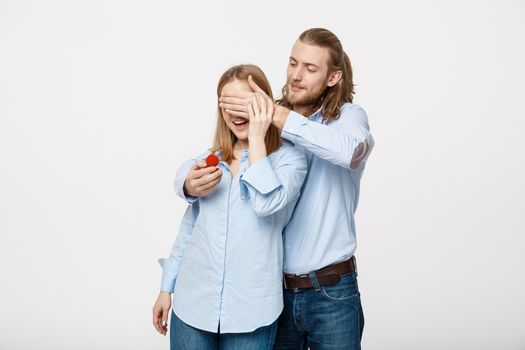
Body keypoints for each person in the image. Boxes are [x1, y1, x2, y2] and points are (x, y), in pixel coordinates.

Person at [181, 28, 374, 349]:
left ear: (333, 77)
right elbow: (220, 154)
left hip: (331, 292)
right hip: (274, 295)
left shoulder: (348, 119)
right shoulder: (265, 123)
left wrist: (278, 116)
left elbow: (348, 152)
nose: (296, 76)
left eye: (310, 69)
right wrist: (186, 182)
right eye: (293, 63)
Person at [152, 64, 307, 350]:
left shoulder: (290, 162)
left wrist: (259, 136)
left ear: (263, 104)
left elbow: (265, 203)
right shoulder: (210, 162)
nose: (234, 113)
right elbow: (190, 229)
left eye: (244, 103)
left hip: (252, 312)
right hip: (193, 305)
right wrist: (166, 287)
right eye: (226, 104)